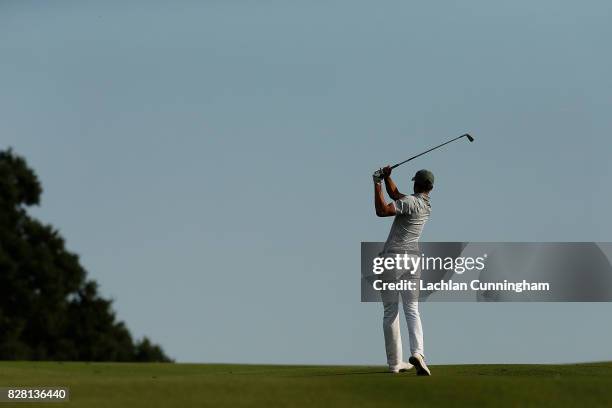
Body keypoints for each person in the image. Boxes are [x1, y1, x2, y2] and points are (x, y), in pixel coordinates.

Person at [373, 166, 433, 376]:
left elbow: (382, 210)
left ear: (416, 184)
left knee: (391, 311)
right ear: (430, 189)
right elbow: (396, 195)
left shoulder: (409, 202)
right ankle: (418, 353)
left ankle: (394, 364)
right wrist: (388, 178)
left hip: (392, 259)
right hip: (412, 261)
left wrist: (377, 182)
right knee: (412, 309)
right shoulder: (425, 206)